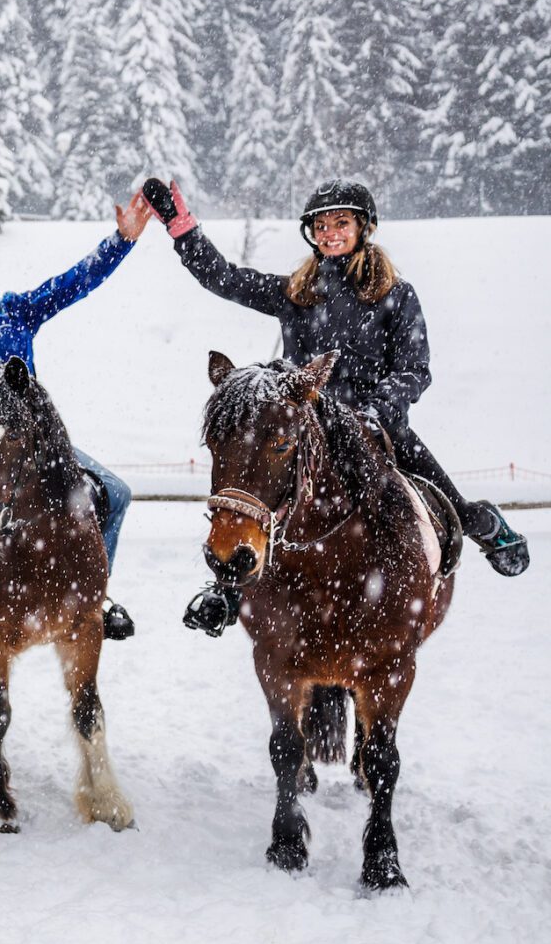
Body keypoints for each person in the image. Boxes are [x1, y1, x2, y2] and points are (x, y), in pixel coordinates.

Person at [141, 177, 530, 635]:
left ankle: (482, 524)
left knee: (450, 506)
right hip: (309, 425)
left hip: (376, 423)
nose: (330, 234)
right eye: (321, 226)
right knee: (259, 495)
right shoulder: (296, 293)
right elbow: (222, 277)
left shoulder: (396, 295)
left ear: (363, 227)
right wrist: (179, 225)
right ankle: (226, 587)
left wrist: (381, 408)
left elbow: (415, 369)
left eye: (341, 223)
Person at [0, 196, 153, 639]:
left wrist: (122, 241)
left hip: (30, 436)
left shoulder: (17, 310)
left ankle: (99, 590)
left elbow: (74, 283)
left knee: (117, 490)